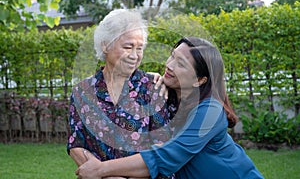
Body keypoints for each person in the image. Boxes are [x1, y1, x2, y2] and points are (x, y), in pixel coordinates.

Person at [75, 37, 264, 179]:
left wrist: (100, 169)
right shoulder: (166, 95)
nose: (169, 65)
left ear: (200, 80)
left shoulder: (210, 111)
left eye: (180, 64)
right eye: (172, 56)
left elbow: (167, 156)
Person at [67, 9, 178, 178]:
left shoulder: (153, 88)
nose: (134, 55)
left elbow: (161, 150)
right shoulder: (82, 91)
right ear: (105, 45)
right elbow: (76, 143)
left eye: (139, 48)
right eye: (128, 47)